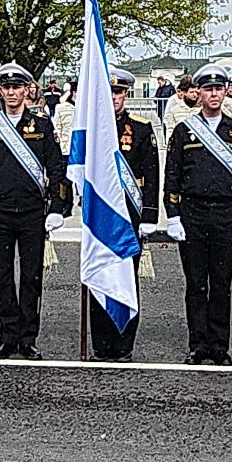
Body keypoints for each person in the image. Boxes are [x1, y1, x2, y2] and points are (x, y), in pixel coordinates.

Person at [0, 62, 68, 360]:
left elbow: (56, 168)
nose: (12, 92)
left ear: (27, 90)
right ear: (0, 91)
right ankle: (7, 336)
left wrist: (57, 207)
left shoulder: (42, 126)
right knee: (1, 277)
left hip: (31, 212)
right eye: (7, 87)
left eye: (17, 87)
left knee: (31, 277)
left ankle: (28, 338)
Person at [164, 63, 232, 365]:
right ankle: (198, 344)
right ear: (198, 93)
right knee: (196, 283)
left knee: (221, 283)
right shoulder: (184, 130)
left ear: (226, 92)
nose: (214, 94)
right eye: (208, 89)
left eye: (218, 89)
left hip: (226, 212)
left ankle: (219, 346)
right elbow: (173, 175)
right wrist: (172, 214)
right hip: (193, 212)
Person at [90, 66, 159, 362]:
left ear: (126, 95)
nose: (114, 98)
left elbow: (152, 174)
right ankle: (101, 344)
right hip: (100, 216)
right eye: (109, 92)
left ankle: (124, 344)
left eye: (118, 92)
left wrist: (150, 215)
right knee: (99, 276)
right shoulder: (92, 130)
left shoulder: (141, 129)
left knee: (126, 279)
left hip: (130, 215)